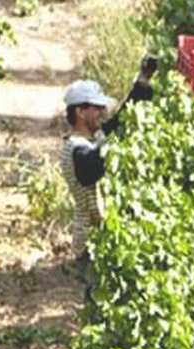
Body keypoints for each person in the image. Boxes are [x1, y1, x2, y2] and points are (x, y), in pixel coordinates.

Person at [59, 79, 117, 262]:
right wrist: (114, 147)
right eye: (98, 108)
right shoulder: (77, 148)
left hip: (101, 238)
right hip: (89, 242)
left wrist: (142, 82)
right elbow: (89, 171)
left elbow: (117, 123)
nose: (103, 112)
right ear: (80, 112)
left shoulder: (94, 140)